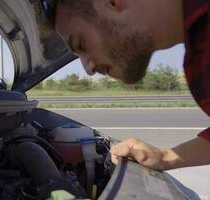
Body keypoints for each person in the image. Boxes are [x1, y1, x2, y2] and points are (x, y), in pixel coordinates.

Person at [54, 0, 210, 170]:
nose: (88, 69)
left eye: (80, 44)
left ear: (112, 3)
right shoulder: (198, 61)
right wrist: (165, 157)